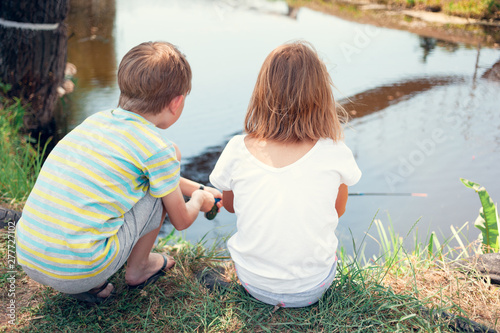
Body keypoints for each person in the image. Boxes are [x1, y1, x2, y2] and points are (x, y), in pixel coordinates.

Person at [15, 41, 222, 303]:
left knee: (154, 178)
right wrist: (199, 201)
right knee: (168, 165)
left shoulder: (95, 123)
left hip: (28, 255)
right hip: (80, 270)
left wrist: (199, 188)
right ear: (176, 102)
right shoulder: (158, 149)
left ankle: (85, 276)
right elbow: (181, 220)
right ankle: (140, 268)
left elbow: (157, 176)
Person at [209, 41, 361, 308]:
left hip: (253, 282)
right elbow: (337, 210)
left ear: (262, 93)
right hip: (313, 287)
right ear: (321, 96)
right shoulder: (336, 152)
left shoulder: (236, 148)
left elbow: (231, 207)